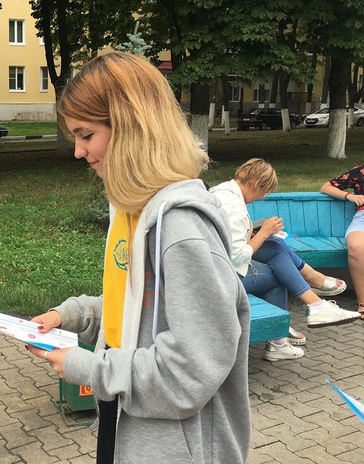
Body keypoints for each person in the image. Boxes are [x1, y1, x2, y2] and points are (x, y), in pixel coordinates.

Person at [25, 51, 251, 463]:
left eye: (86, 135)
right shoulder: (136, 211)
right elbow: (143, 310)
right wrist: (75, 315)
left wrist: (88, 368)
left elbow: (188, 373)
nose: (78, 151)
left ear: (131, 127)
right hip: (135, 433)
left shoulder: (181, 228)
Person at [210, 159, 359, 361]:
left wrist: (259, 234)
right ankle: (284, 335)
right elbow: (237, 255)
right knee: (280, 274)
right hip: (222, 276)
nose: (262, 197)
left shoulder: (222, 192)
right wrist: (263, 232)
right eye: (264, 192)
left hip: (216, 265)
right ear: (255, 184)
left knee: (273, 246)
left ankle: (314, 295)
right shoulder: (233, 207)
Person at [321, 165, 364, 320]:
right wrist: (349, 196)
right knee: (356, 246)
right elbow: (326, 187)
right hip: (363, 217)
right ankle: (363, 302)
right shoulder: (359, 171)